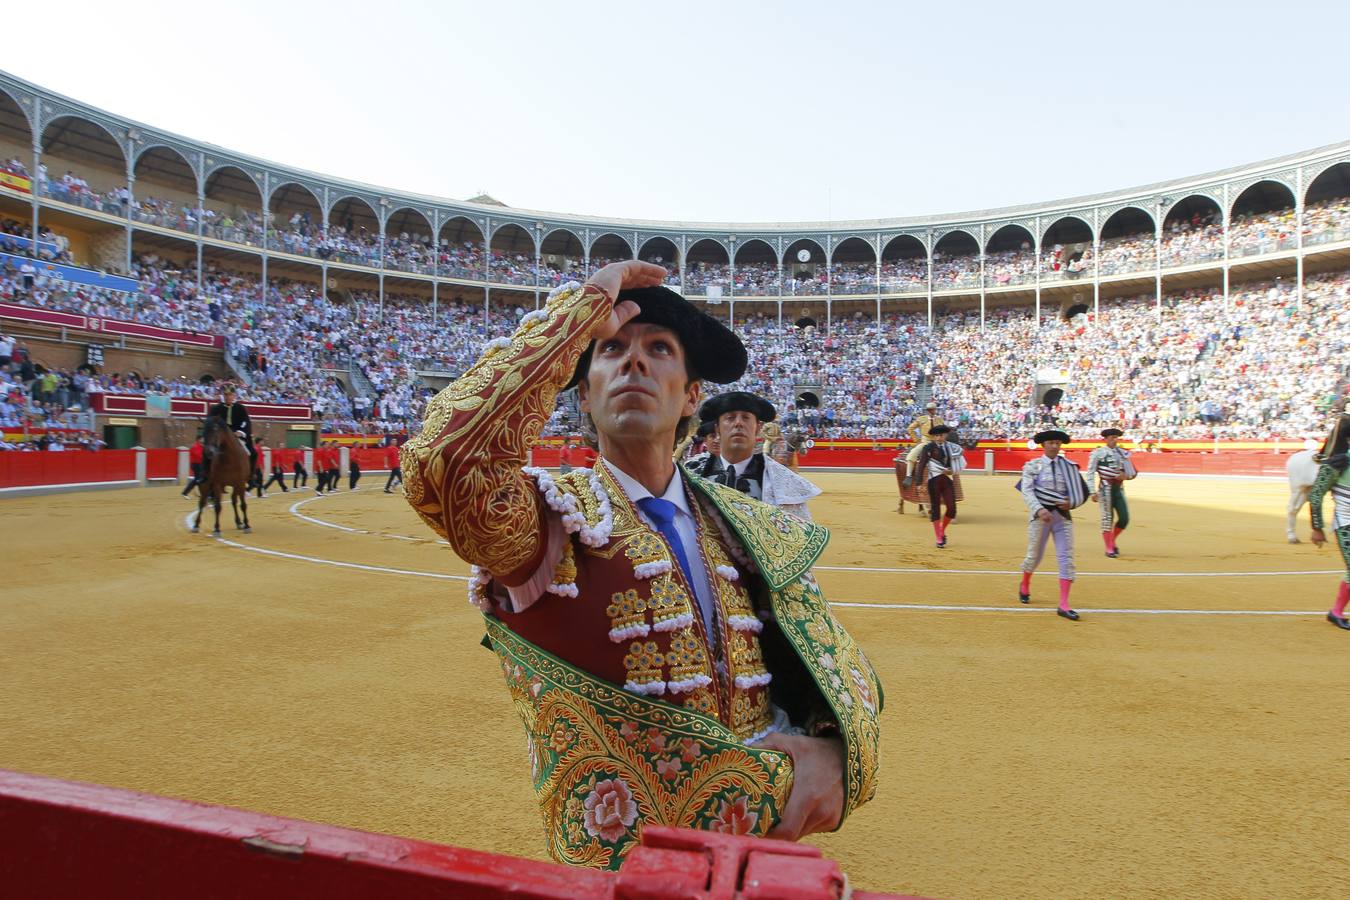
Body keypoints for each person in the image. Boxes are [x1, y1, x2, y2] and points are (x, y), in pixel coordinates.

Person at [400, 261, 882, 869]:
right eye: (610, 351)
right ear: (581, 393)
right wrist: (574, 320)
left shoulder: (745, 525)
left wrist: (832, 748)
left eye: (658, 349)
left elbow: (824, 663)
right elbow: (445, 461)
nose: (634, 361)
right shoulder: (547, 520)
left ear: (690, 397)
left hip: (761, 857)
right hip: (621, 875)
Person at [688, 391, 822, 521]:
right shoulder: (690, 472)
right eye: (730, 417)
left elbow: (796, 538)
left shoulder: (783, 481)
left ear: (758, 428)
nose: (738, 423)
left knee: (768, 445)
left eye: (746, 417)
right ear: (717, 428)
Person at [1017, 429, 1091, 621]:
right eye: (1051, 442)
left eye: (1058, 443)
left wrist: (1072, 502)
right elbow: (1027, 491)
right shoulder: (1033, 466)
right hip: (1041, 517)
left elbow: (1080, 492)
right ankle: (1025, 583)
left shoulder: (1069, 467)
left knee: (1066, 557)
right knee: (1034, 556)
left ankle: (1064, 604)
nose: (1055, 446)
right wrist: (1039, 509)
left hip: (1062, 517)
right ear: (1043, 445)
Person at [1308, 414, 1350, 630]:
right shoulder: (1338, 463)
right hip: (1346, 523)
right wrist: (1317, 528)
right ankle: (1335, 612)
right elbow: (1315, 495)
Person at [908, 424, 963, 547]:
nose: (938, 438)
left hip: (946, 480)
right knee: (935, 508)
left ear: (945, 435)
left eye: (941, 435)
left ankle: (942, 531)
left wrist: (952, 470)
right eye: (936, 436)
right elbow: (921, 465)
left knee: (952, 508)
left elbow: (955, 464)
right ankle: (939, 537)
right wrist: (918, 483)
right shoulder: (928, 447)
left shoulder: (951, 448)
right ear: (933, 437)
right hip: (934, 480)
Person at [1087, 428, 1137, 558]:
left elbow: (1132, 472)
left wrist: (1125, 476)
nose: (1114, 440)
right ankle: (1109, 547)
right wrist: (1092, 491)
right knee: (1107, 519)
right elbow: (1090, 472)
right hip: (1105, 489)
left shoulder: (1122, 453)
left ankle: (1112, 541)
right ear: (1105, 439)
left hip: (1118, 489)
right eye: (1112, 437)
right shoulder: (1098, 453)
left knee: (1124, 518)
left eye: (1116, 437)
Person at [206, 384, 256, 482]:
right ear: (223, 396)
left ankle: (251, 476)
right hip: (220, 436)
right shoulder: (216, 408)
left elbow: (246, 422)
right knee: (208, 452)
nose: (228, 397)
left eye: (230, 395)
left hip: (237, 435)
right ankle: (205, 475)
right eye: (226, 395)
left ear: (234, 396)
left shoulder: (240, 408)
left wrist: (241, 432)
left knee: (253, 453)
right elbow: (210, 422)